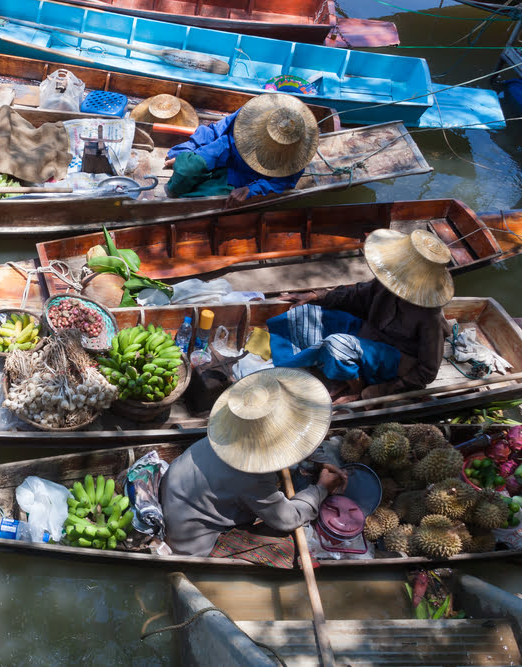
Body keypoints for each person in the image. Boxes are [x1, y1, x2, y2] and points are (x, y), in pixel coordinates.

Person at [160, 368, 347, 561]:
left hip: (177, 503)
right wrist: (321, 489)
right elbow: (287, 519)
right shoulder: (249, 475)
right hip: (193, 544)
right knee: (287, 549)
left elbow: (294, 435)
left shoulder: (226, 437)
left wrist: (317, 459)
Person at [271, 228, 454, 403]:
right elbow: (355, 295)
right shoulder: (388, 283)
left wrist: (376, 392)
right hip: (368, 334)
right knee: (303, 315)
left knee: (337, 345)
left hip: (392, 358)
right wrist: (316, 295)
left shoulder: (431, 316)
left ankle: (355, 386)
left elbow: (427, 372)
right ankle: (341, 372)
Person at [163, 92, 318, 207]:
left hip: (242, 178)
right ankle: (173, 190)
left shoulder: (295, 153)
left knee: (198, 199)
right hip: (222, 150)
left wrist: (251, 189)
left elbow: (282, 183)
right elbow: (216, 130)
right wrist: (186, 149)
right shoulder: (254, 113)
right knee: (186, 168)